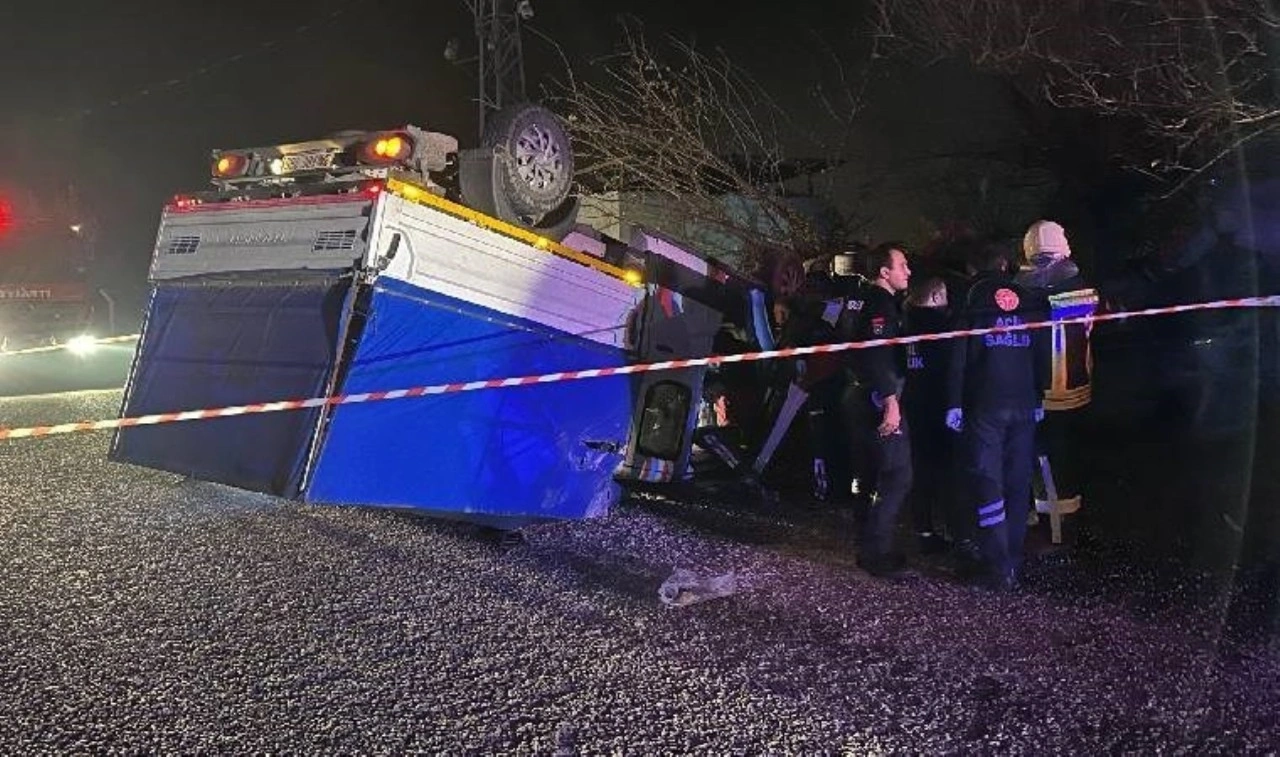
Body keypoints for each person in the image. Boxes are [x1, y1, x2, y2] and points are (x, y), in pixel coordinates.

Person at [946, 240, 1050, 590]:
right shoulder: (1029, 298)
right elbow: (1042, 350)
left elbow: (959, 354)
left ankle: (997, 565)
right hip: (1023, 402)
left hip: (985, 404)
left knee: (987, 480)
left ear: (973, 268)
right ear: (1005, 264)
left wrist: (953, 402)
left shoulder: (971, 298)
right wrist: (1040, 394)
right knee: (1018, 482)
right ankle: (1013, 561)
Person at [1015, 220, 1098, 514]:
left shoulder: (1019, 292)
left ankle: (1050, 516)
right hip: (1073, 386)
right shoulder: (1082, 286)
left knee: (1043, 453)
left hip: (1035, 387)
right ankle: (1062, 517)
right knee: (1066, 452)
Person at [844, 242, 913, 578]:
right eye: (902, 265)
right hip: (876, 396)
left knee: (868, 474)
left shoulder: (859, 299)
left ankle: (865, 544)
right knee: (897, 475)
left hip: (857, 393)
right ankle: (877, 552)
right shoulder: (880, 304)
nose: (908, 271)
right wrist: (890, 401)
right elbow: (877, 355)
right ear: (884, 272)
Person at [902, 275, 956, 554]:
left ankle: (923, 529)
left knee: (919, 470)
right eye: (944, 295)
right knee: (946, 471)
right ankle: (954, 530)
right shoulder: (942, 326)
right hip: (939, 406)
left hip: (911, 405)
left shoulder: (903, 322)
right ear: (935, 297)